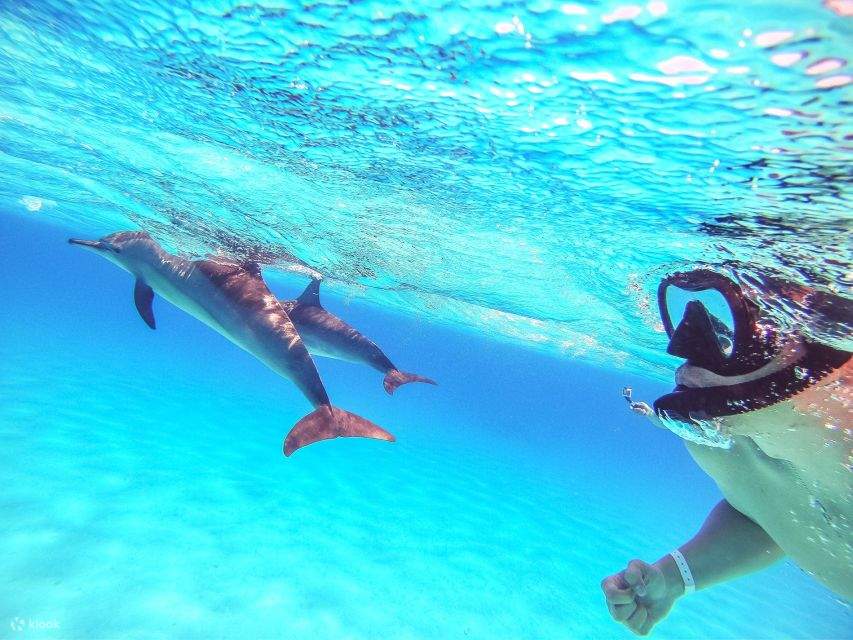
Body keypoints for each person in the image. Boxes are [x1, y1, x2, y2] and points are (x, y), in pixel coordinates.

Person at [601, 270, 851, 636]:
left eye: (736, 327)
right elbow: (770, 513)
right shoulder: (723, 446)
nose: (684, 347)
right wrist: (674, 578)